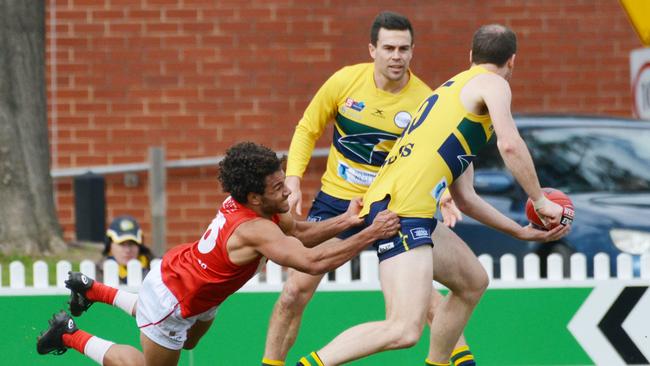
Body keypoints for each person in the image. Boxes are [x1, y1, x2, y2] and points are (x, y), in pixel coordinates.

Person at [296, 24, 572, 366]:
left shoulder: (450, 95)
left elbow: (466, 197)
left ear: (470, 56)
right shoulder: (493, 83)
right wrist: (541, 200)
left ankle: (439, 362)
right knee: (402, 329)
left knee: (473, 281)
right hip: (399, 211)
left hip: (407, 205)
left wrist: (518, 230)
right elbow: (511, 144)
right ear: (512, 61)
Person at [36, 142, 400, 366]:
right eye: (278, 186)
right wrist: (370, 233)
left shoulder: (261, 205)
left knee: (191, 338)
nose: (287, 191)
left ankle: (93, 291)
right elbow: (313, 260)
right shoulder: (255, 228)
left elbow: (301, 232)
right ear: (255, 197)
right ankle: (68, 334)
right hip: (174, 299)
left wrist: (347, 220)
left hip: (190, 282)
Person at [263, 11, 474, 366]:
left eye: (404, 48)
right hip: (337, 204)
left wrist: (447, 196)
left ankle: (462, 362)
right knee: (293, 292)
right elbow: (306, 128)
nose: (397, 56)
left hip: (394, 207)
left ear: (412, 52)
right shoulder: (345, 81)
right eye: (389, 47)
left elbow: (435, 155)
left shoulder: (424, 99)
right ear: (372, 49)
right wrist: (295, 179)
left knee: (426, 302)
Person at [101, 215, 153, 284]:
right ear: (109, 246)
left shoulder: (154, 269)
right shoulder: (98, 274)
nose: (127, 250)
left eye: (131, 244)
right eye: (121, 244)